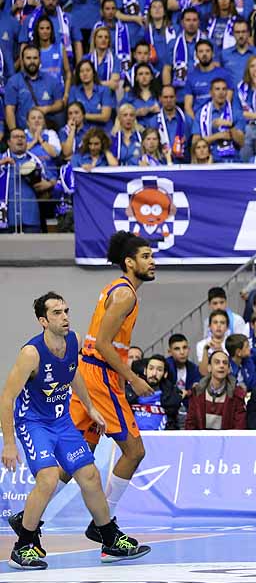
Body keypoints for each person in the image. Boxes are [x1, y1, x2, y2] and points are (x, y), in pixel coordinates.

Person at [2, 291, 149, 568]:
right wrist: (9, 443)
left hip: (62, 420)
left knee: (90, 475)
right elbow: (7, 397)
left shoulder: (74, 340)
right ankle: (23, 546)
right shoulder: (31, 354)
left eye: (66, 310)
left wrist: (91, 407)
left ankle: (108, 537)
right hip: (34, 423)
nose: (65, 317)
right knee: (47, 478)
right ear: (43, 321)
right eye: (57, 313)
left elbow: (73, 373)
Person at [68, 231, 155, 543]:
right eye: (146, 256)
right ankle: (105, 521)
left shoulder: (116, 289)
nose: (152, 261)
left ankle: (27, 520)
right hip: (101, 376)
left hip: (88, 372)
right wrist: (134, 378)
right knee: (134, 451)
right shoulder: (126, 294)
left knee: (76, 454)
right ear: (129, 262)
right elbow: (104, 344)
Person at [184, 350, 246, 430]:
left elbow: (239, 427)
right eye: (217, 362)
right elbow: (190, 425)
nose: (221, 366)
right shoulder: (197, 393)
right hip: (201, 440)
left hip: (227, 441)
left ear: (229, 369)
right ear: (209, 368)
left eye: (225, 363)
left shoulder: (237, 395)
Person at [128, 353, 183, 431]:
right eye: (151, 368)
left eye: (159, 370)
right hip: (133, 438)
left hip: (162, 439)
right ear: (145, 371)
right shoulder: (131, 391)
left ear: (165, 374)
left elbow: (180, 423)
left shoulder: (172, 395)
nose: (154, 373)